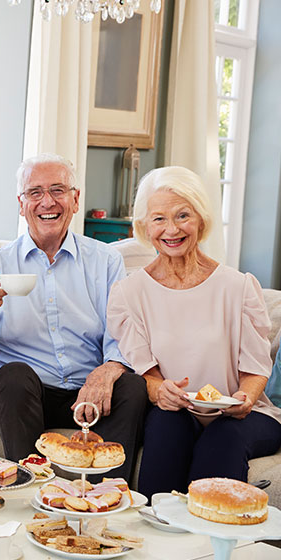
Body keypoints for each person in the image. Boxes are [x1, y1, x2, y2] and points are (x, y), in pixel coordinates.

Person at [0, 153, 147, 482]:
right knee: (15, 375)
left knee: (131, 386)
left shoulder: (105, 262)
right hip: (15, 396)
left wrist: (109, 369)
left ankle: (104, 494)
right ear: (21, 205)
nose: (47, 202)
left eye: (58, 190)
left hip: (84, 396)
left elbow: (123, 335)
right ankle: (33, 491)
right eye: (35, 192)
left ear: (75, 200)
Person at [107, 165, 281, 497]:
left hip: (243, 415)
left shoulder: (238, 287)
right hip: (176, 409)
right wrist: (159, 391)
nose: (171, 229)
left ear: (201, 219)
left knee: (224, 436)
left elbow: (255, 371)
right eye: (159, 219)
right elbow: (148, 375)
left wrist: (245, 398)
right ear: (145, 226)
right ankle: (158, 534)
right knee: (164, 427)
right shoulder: (130, 294)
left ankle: (209, 541)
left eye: (182, 215)